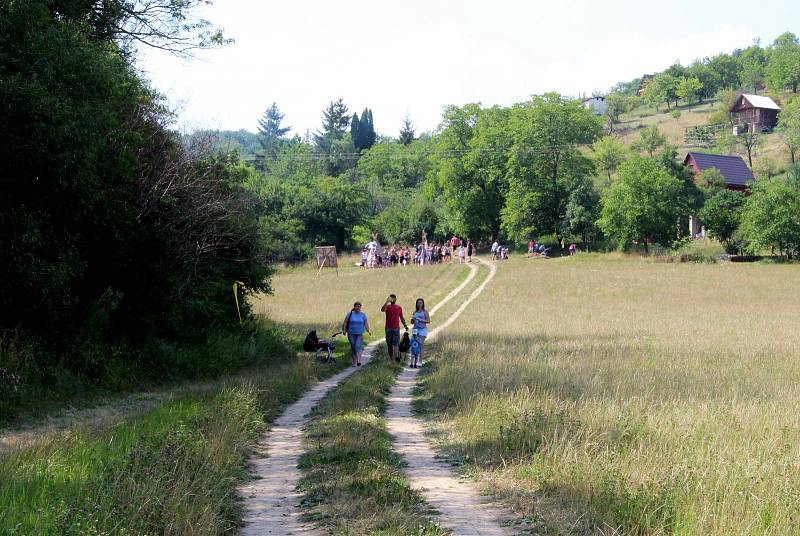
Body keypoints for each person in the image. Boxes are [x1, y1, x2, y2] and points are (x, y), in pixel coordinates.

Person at [381, 294, 409, 363]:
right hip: (388, 328)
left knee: (396, 343)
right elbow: (382, 310)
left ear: (396, 299)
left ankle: (396, 357)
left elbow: (401, 317)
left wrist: (405, 325)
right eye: (391, 298)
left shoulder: (399, 307)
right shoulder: (387, 306)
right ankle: (392, 359)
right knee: (389, 344)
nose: (393, 299)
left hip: (396, 328)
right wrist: (387, 301)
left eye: (394, 298)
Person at [342, 301, 370, 366]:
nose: (358, 307)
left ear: (360, 307)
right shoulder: (350, 314)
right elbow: (345, 322)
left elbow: (365, 323)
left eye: (359, 306)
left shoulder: (363, 314)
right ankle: (354, 362)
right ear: (354, 307)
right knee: (353, 346)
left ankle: (359, 361)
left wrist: (368, 330)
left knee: (357, 346)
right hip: (351, 333)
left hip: (359, 333)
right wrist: (344, 330)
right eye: (356, 306)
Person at [410, 298, 430, 368]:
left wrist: (420, 319)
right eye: (418, 303)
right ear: (416, 304)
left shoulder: (425, 312)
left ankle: (420, 361)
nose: (419, 304)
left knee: (421, 345)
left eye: (421, 303)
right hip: (415, 329)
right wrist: (412, 320)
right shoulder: (415, 312)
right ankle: (413, 361)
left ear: (423, 304)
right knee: (414, 345)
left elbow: (428, 321)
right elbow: (411, 322)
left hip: (422, 330)